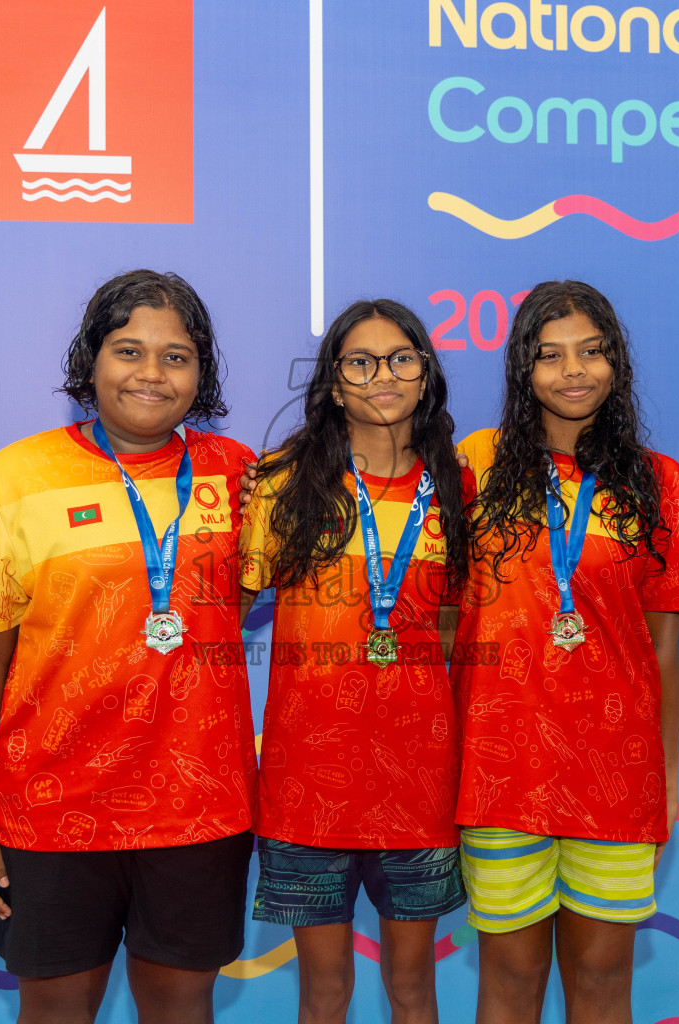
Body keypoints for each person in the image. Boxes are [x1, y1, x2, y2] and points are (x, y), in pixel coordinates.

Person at [0, 269, 258, 1024]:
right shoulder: (15, 478)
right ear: (91, 362)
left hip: (198, 809)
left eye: (176, 356)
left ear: (201, 374)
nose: (151, 373)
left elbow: (236, 601)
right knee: (56, 1010)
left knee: (182, 1008)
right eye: (128, 350)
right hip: (51, 805)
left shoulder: (243, 474)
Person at [453, 280, 679, 1024]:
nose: (573, 371)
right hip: (502, 771)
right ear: (522, 371)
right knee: (510, 979)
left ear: (617, 363)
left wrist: (666, 782)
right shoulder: (476, 465)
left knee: (599, 981)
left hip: (616, 775)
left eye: (591, 352)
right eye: (550, 355)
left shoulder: (663, 485)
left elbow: (663, 650)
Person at [237, 299, 472, 1024]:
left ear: (426, 376)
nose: (383, 375)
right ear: (334, 384)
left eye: (402, 358)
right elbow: (228, 613)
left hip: (419, 785)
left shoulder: (459, 489)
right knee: (325, 991)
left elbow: (453, 628)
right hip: (309, 785)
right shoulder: (281, 484)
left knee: (411, 988)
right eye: (360, 362)